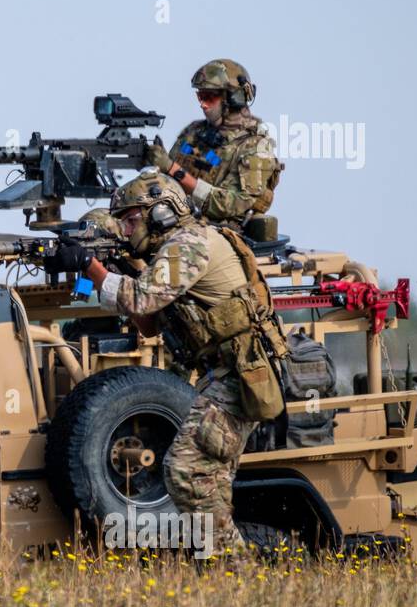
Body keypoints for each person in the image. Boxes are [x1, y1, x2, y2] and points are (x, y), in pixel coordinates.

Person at [52, 170, 289, 557]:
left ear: (160, 213)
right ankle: (224, 564)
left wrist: (91, 268)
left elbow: (143, 301)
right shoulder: (170, 252)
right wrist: (115, 270)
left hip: (239, 373)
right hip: (221, 373)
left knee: (186, 473)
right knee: (208, 479)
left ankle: (231, 566)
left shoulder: (190, 243)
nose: (127, 230)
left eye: (130, 220)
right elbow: (147, 323)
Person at [150, 58, 281, 232]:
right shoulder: (194, 132)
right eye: (200, 95)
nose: (202, 104)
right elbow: (166, 180)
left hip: (220, 233)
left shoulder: (255, 146)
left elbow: (229, 205)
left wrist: (172, 169)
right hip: (176, 221)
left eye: (209, 97)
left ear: (233, 98)